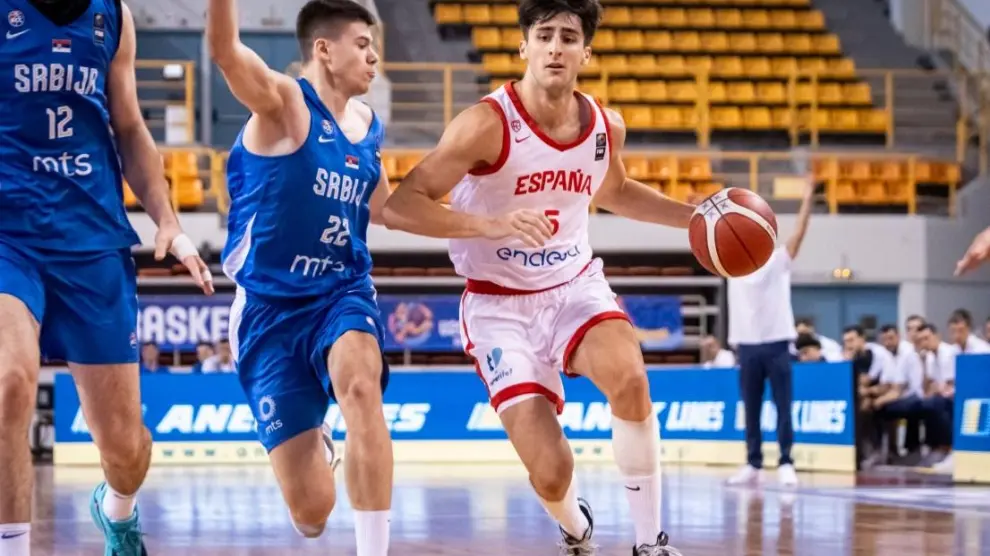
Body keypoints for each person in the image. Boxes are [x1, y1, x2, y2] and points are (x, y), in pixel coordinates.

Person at [381, 2, 694, 553]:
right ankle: (575, 527)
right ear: (523, 46)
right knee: (551, 472)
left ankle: (651, 541)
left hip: (574, 286)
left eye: (568, 37)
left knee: (630, 379)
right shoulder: (486, 124)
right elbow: (401, 206)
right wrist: (489, 224)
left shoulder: (605, 126)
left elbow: (616, 192)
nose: (555, 47)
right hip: (498, 306)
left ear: (585, 53)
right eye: (543, 35)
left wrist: (696, 218)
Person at [0, 0, 212, 554]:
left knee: (124, 449)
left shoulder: (113, 16)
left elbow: (130, 128)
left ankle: (118, 508)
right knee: (9, 384)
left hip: (92, 241)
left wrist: (168, 220)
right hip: (10, 236)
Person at [206, 1, 393, 553]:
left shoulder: (367, 126)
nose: (374, 57)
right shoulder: (285, 102)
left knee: (361, 388)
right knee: (311, 514)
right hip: (269, 310)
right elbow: (225, 52)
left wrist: (484, 220)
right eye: (363, 44)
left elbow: (388, 208)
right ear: (324, 49)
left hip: (341, 292)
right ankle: (318, 444)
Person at [724, 178, 814, 487]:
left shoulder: (777, 260)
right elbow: (708, 237)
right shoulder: (730, 264)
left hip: (776, 343)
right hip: (746, 345)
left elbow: (799, 234)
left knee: (783, 406)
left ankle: (786, 461)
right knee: (751, 409)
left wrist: (808, 197)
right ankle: (753, 463)